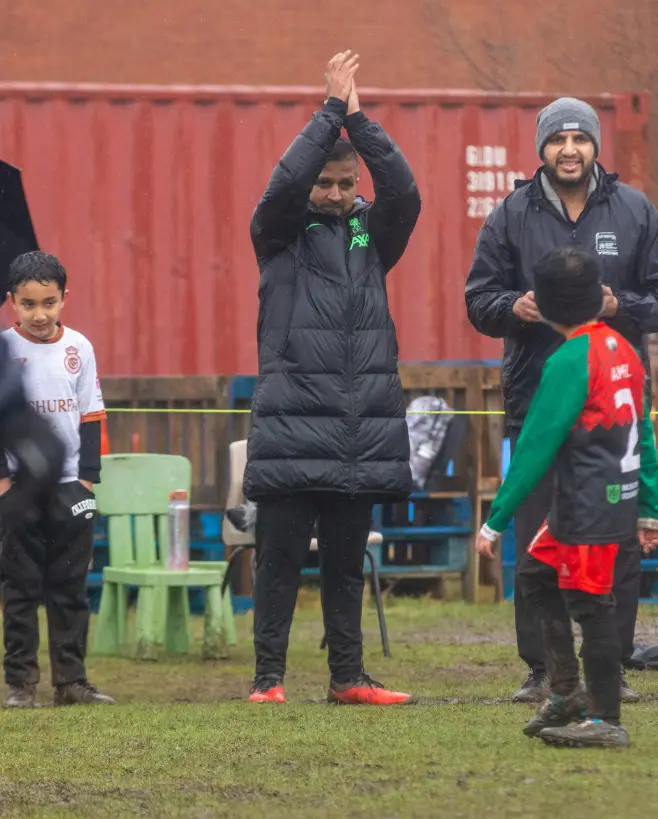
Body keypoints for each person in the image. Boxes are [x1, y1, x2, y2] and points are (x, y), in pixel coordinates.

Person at [465, 96, 658, 703]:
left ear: (595, 147)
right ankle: (543, 669)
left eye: (580, 139)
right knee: (540, 538)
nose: (569, 150)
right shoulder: (509, 215)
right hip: (538, 397)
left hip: (612, 412)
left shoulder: (635, 211)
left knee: (613, 541)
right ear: (541, 148)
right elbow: (477, 298)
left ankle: (608, 666)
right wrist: (514, 306)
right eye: (558, 139)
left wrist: (621, 307)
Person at [243, 51, 421, 705]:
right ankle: (269, 678)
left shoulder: (371, 235)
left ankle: (348, 676)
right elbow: (282, 185)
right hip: (292, 422)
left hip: (357, 427)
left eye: (346, 185)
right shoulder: (278, 233)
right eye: (327, 184)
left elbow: (405, 191)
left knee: (346, 563)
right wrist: (326, 115)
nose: (337, 195)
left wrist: (358, 119)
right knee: (281, 561)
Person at [475, 247, 658, 748]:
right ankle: (565, 691)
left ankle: (605, 720)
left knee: (590, 603)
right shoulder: (623, 347)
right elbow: (642, 430)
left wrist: (496, 519)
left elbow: (536, 442)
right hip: (608, 498)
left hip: (589, 503)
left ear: (546, 304)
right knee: (538, 574)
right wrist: (650, 506)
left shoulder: (568, 359)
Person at [0, 251, 113, 708]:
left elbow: (91, 415)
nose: (40, 314)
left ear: (65, 298)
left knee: (69, 588)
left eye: (49, 302)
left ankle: (71, 682)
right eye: (28, 304)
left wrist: (87, 480)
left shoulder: (79, 348)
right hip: (17, 487)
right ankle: (19, 685)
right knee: (20, 588)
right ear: (11, 303)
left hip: (70, 486)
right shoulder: (4, 350)